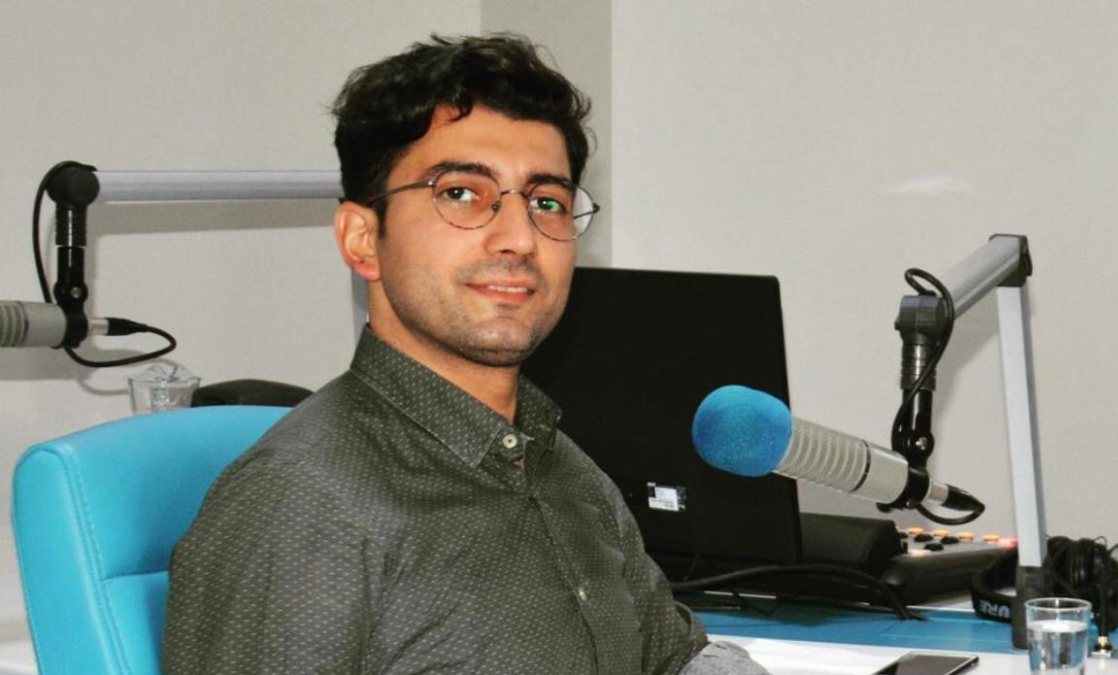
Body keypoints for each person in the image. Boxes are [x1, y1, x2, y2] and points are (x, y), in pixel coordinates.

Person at [163, 34, 767, 674]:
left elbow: (674, 661)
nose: (519, 238)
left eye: (547, 203)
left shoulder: (564, 469)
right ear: (363, 239)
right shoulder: (302, 507)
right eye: (460, 193)